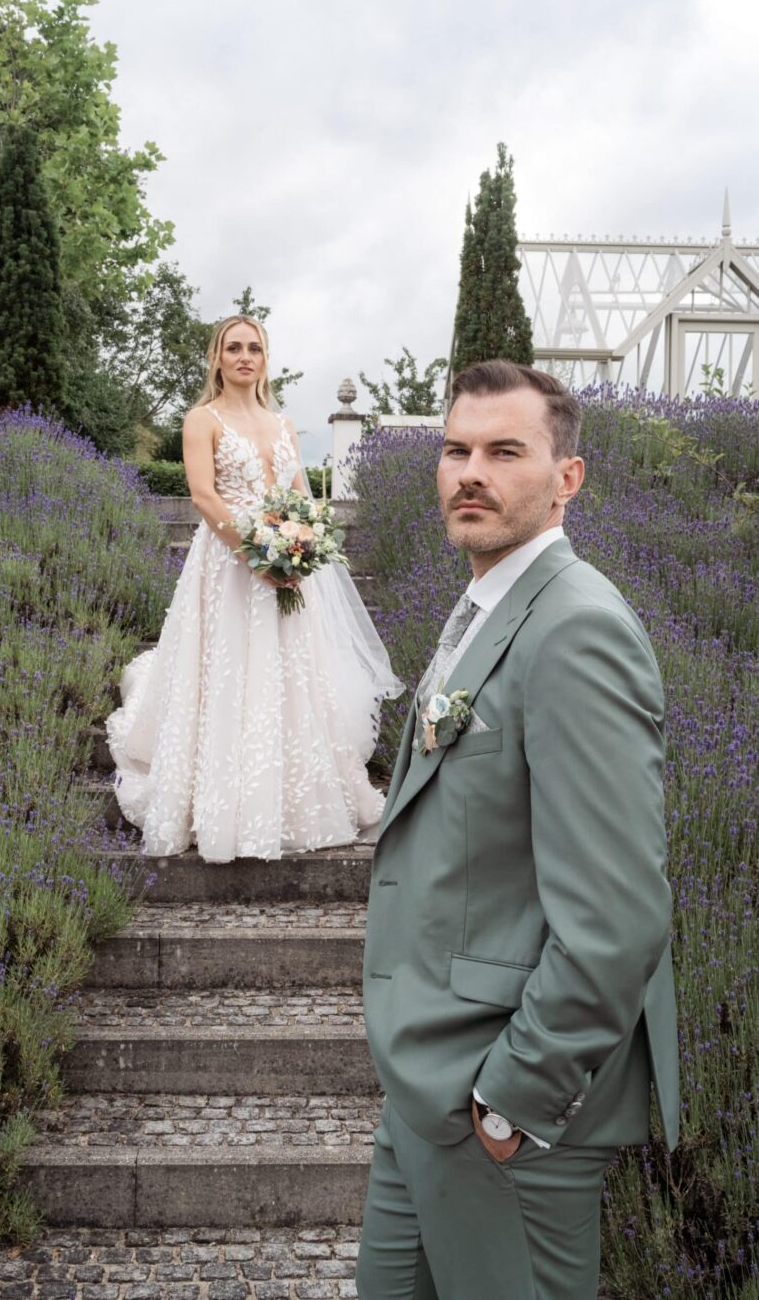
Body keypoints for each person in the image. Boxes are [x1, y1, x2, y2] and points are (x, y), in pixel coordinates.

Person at [357, 360, 679, 1299]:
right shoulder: (484, 608)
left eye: (505, 452)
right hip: (425, 1086)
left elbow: (617, 916)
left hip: (506, 1116)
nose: (471, 473)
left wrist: (513, 1101)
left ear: (565, 479)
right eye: (457, 450)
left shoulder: (577, 630)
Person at [106, 314, 402, 862]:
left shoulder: (284, 424)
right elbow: (203, 496)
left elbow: (302, 494)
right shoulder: (203, 418)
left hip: (284, 561)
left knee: (288, 670)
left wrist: (300, 545)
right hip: (226, 562)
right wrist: (253, 555)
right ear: (217, 358)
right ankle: (220, 798)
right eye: (234, 347)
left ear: (266, 359)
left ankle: (289, 791)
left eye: (255, 348)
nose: (245, 356)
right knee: (228, 667)